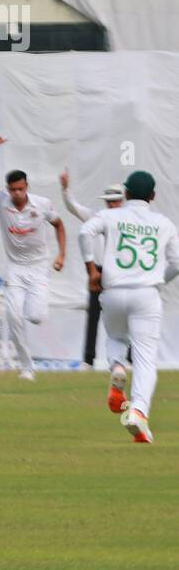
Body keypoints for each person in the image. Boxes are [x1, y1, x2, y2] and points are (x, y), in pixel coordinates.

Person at [79, 171, 179, 443]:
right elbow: (178, 261)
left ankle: (117, 369)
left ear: (125, 194)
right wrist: (159, 280)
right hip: (146, 294)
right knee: (146, 359)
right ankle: (138, 411)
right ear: (153, 196)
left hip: (113, 292)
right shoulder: (163, 222)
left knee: (115, 337)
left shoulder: (112, 215)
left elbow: (84, 231)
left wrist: (91, 269)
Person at [0, 135, 66, 380]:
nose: (17, 193)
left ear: (27, 187)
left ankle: (32, 305)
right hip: (15, 268)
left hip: (38, 267)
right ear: (8, 189)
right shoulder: (1, 202)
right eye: (13, 190)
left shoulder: (42, 204)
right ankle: (27, 367)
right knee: (13, 316)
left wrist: (61, 255)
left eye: (21, 189)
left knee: (36, 316)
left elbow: (59, 225)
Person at [61, 170, 125, 368]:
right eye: (109, 201)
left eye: (115, 201)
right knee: (94, 316)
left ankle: (127, 359)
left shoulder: (128, 220)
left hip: (121, 272)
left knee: (124, 315)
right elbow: (74, 208)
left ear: (123, 201)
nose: (112, 204)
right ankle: (88, 359)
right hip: (97, 271)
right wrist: (65, 190)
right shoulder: (97, 216)